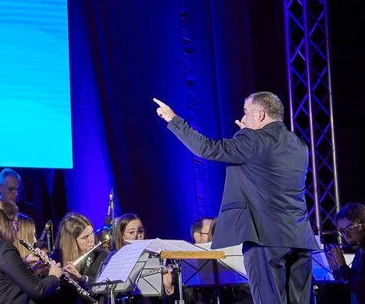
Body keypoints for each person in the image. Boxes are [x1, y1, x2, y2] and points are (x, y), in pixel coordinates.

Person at [154, 92, 316, 304]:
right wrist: (248, 137)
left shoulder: (251, 140)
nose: (243, 118)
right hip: (300, 238)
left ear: (260, 114)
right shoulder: (298, 144)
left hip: (265, 239)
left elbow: (207, 149)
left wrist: (173, 119)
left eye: (246, 112)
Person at [0, 203, 62, 303]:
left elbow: (3, 285)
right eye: (16, 223)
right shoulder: (4, 248)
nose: (17, 229)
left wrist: (29, 270)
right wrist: (54, 276)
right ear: (5, 223)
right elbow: (38, 290)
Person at [50, 212, 107, 301]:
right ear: (71, 241)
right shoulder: (55, 260)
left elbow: (104, 287)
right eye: (85, 237)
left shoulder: (100, 256)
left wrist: (81, 279)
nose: (91, 239)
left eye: (92, 233)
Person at [325, 202, 365, 301]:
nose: (346, 235)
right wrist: (337, 269)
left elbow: (361, 287)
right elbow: (350, 287)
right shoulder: (360, 251)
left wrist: (342, 265)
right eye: (342, 231)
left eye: (350, 228)